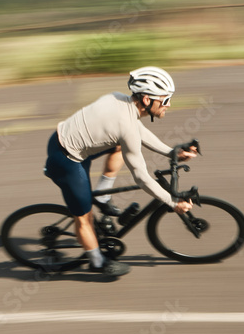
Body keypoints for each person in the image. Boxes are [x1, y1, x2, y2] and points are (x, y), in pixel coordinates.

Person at [44, 66, 196, 276]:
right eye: (165, 100)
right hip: (66, 161)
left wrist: (171, 152)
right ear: (146, 100)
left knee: (116, 146)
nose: (168, 105)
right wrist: (171, 202)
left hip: (61, 140)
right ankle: (96, 262)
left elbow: (137, 130)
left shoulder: (119, 99)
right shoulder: (125, 126)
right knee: (84, 218)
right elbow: (141, 177)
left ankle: (103, 196)